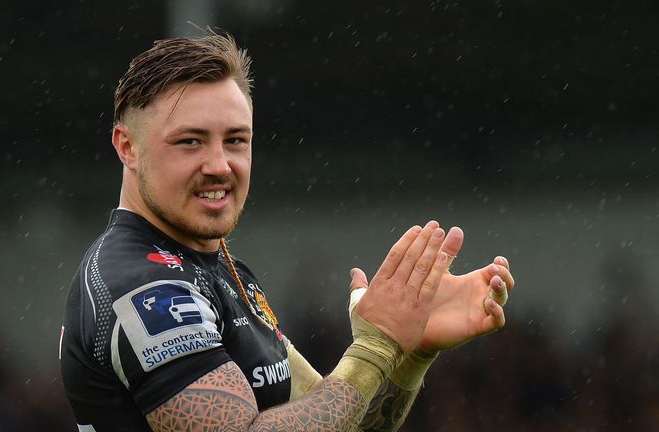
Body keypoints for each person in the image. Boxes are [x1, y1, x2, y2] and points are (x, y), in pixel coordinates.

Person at [59, 31, 515, 432]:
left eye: (236, 140)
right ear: (127, 147)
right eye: (190, 141)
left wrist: (407, 351)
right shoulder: (142, 283)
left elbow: (338, 423)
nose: (219, 165)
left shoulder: (218, 269)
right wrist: (379, 343)